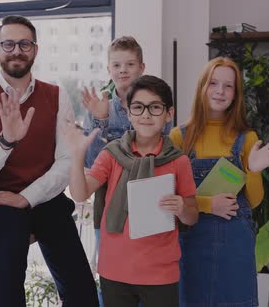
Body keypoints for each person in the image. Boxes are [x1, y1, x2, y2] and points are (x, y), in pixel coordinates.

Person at [0, 15, 98, 307]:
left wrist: (25, 198)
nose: (16, 50)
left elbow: (65, 162)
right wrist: (7, 141)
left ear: (35, 49)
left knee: (80, 283)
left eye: (24, 44)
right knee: (8, 274)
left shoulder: (57, 96)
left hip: (47, 196)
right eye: (8, 44)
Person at [65, 75, 198, 307]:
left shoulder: (179, 161)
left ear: (169, 114)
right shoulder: (111, 153)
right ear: (129, 113)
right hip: (115, 271)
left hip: (161, 274)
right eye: (138, 107)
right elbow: (80, 193)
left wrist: (182, 207)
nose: (145, 114)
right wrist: (76, 157)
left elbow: (192, 215)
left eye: (155, 107)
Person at [169, 57, 269, 307]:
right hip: (191, 241)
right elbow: (172, 197)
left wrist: (253, 170)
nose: (220, 91)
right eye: (213, 83)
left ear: (236, 94)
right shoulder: (178, 137)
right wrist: (207, 205)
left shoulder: (247, 138)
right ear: (202, 86)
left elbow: (253, 202)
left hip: (235, 242)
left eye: (228, 86)